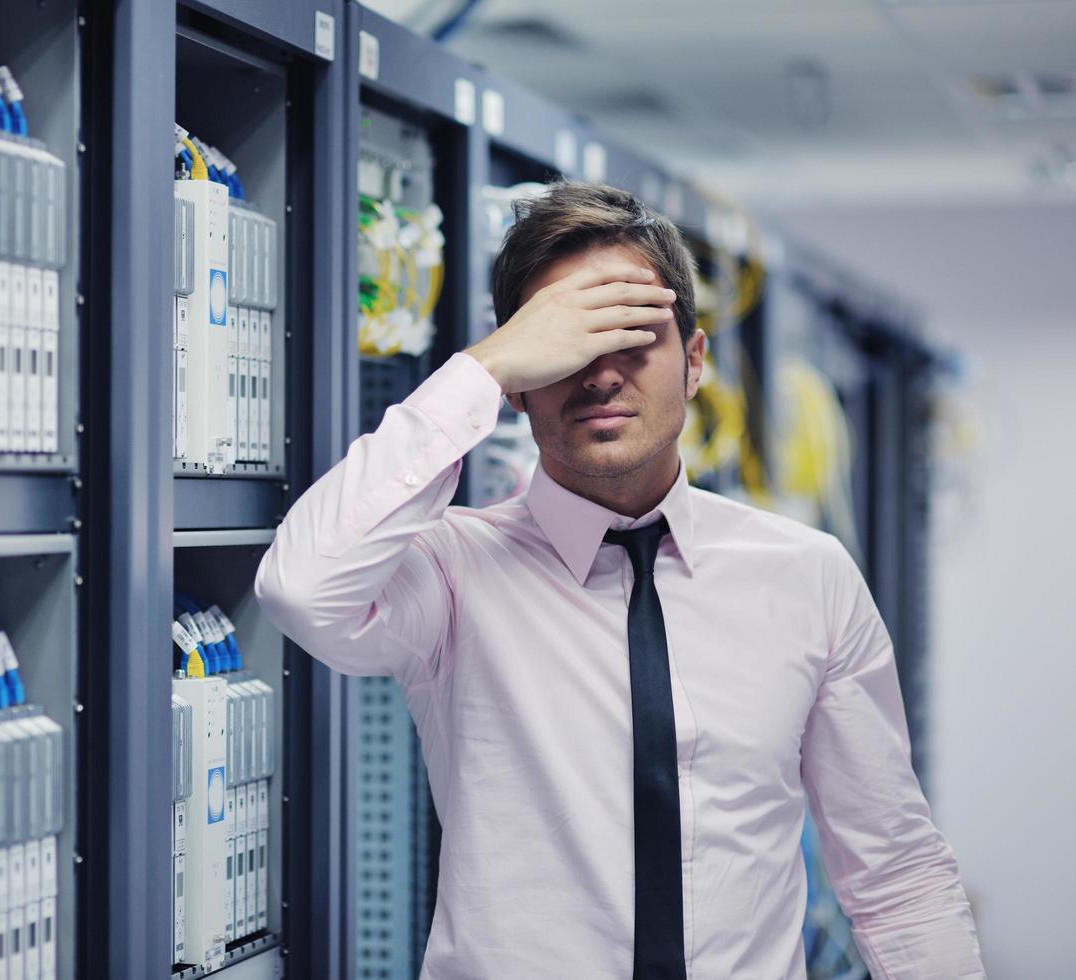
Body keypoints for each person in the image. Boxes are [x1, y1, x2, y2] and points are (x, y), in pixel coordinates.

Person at [254, 183, 984, 979]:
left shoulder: (806, 576)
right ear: (521, 380)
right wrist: (480, 368)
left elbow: (896, 874)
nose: (599, 373)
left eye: (632, 332)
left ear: (695, 362)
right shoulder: (453, 571)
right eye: (566, 339)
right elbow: (301, 588)